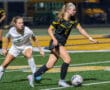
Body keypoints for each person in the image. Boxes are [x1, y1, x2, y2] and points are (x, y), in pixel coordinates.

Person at [28, 3, 98, 87]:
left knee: (49, 65)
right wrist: (54, 39)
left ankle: (32, 76)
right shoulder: (59, 19)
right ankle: (61, 81)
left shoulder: (73, 19)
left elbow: (80, 29)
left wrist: (89, 37)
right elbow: (50, 30)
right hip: (56, 43)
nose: (75, 11)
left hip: (61, 43)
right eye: (73, 10)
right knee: (67, 60)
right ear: (68, 10)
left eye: (75, 10)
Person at [0, 16, 45, 87]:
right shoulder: (11, 30)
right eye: (19, 23)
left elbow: (35, 38)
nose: (22, 24)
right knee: (4, 65)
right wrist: (4, 48)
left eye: (22, 23)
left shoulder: (28, 30)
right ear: (15, 24)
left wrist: (40, 50)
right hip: (15, 48)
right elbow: (8, 38)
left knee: (28, 55)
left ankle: (35, 75)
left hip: (26, 46)